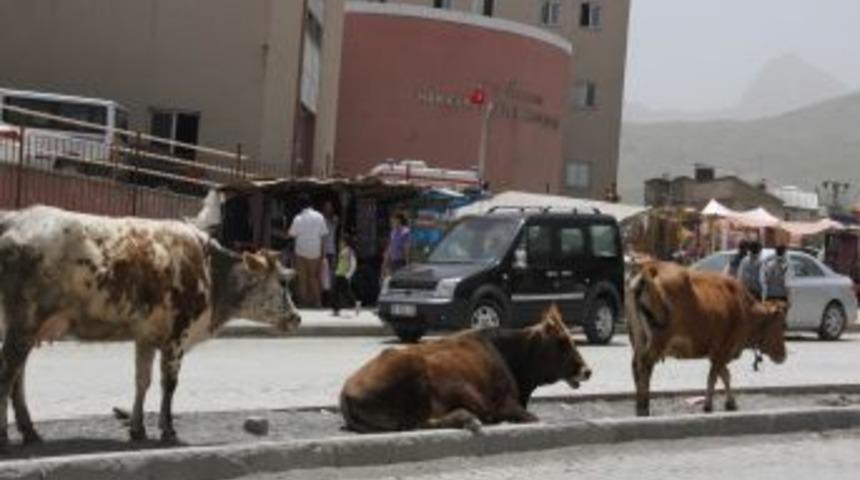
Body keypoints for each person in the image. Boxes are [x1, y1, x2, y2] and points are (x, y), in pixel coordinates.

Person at [288, 194, 328, 307]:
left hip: (300, 251)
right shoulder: (320, 216)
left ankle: (303, 302)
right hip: (315, 251)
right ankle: (318, 302)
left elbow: (292, 234)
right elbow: (323, 236)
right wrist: (322, 254)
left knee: (302, 278)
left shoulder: (298, 218)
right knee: (314, 277)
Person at [332, 236, 357, 316]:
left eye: (341, 242)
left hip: (344, 275)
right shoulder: (342, 251)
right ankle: (336, 309)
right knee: (336, 292)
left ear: (345, 242)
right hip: (339, 274)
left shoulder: (349, 251)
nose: (340, 244)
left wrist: (348, 275)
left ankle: (355, 304)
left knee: (346, 292)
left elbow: (353, 264)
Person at [382, 212, 411, 277]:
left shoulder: (405, 232)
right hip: (393, 260)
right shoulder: (393, 232)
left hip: (400, 261)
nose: (391, 223)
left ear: (398, 221)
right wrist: (385, 263)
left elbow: (407, 249)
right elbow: (390, 247)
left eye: (393, 221)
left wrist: (407, 264)